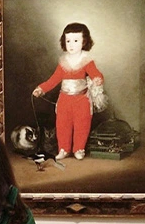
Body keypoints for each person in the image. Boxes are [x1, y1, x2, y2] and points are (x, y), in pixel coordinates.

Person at [32, 22, 106, 161]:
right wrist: (41, 89)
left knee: (82, 124)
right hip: (64, 99)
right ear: (64, 42)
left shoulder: (86, 60)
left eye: (76, 41)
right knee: (62, 124)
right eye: (68, 41)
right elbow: (53, 80)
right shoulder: (63, 62)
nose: (71, 45)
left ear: (84, 42)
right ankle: (63, 149)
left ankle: (79, 149)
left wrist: (97, 79)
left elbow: (96, 74)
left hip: (81, 99)